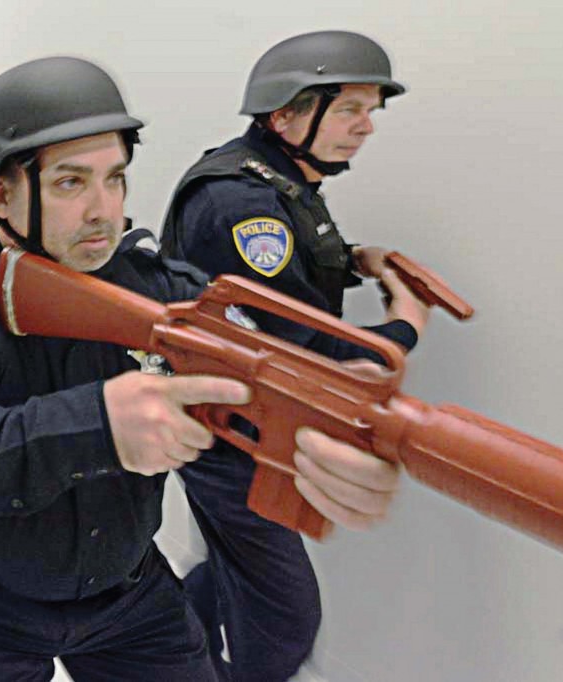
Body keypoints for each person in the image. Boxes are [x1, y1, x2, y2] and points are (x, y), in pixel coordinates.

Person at [0, 55, 402, 681]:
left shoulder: (158, 289)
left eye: (116, 179)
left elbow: (255, 370)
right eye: (71, 183)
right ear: (3, 193)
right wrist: (99, 423)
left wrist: (325, 426)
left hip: (126, 590)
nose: (104, 210)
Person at [159, 31, 430, 681]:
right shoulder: (243, 204)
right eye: (348, 110)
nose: (365, 128)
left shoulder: (279, 178)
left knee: (233, 576)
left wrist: (353, 260)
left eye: (371, 112)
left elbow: (281, 284)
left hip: (255, 422)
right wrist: (403, 327)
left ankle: (161, 653)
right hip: (230, 434)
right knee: (285, 617)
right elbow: (308, 348)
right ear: (285, 115)